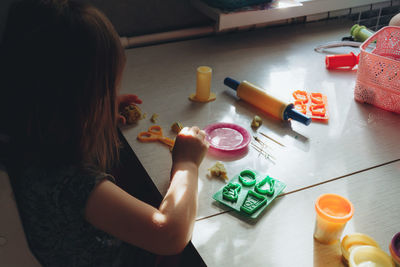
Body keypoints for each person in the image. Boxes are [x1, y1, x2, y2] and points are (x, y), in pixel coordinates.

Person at [0, 0, 209, 266]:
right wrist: (186, 165)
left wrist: (94, 113)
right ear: (78, 102)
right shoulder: (68, 182)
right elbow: (168, 235)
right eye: (106, 91)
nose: (112, 98)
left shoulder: (20, 144)